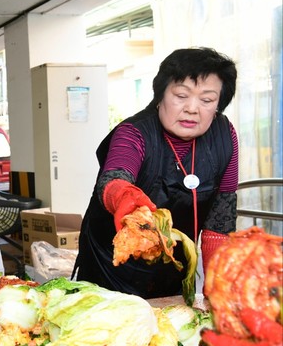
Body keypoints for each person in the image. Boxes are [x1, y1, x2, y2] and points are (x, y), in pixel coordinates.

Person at [74, 47, 238, 299]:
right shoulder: (133, 132)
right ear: (160, 95)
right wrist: (125, 198)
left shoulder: (225, 136)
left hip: (174, 267)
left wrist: (217, 289)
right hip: (111, 270)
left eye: (206, 100)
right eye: (181, 95)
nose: (192, 108)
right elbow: (114, 179)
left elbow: (220, 220)